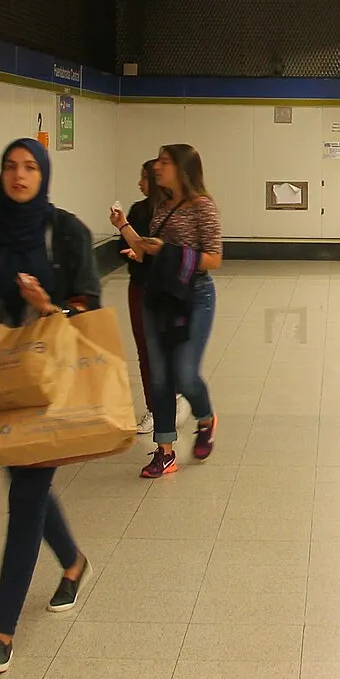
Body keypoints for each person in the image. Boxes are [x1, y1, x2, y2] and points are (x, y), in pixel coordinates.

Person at [0, 138, 100, 675]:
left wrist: (46, 306)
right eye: (10, 166)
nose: (19, 175)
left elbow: (87, 312)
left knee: (26, 494)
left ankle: (3, 632)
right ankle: (73, 562)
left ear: (44, 173)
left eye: (30, 167)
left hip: (50, 383)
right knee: (26, 482)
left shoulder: (66, 233)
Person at [116, 143, 223, 478]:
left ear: (182, 168)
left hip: (195, 295)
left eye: (164, 162)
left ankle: (205, 419)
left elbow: (214, 258)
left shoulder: (203, 207)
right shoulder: (161, 205)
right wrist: (126, 230)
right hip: (159, 295)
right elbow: (151, 251)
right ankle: (164, 451)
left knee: (185, 374)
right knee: (160, 375)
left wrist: (169, 252)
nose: (157, 168)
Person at [110, 158, 161, 434]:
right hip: (140, 286)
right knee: (145, 348)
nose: (139, 183)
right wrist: (128, 238)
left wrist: (145, 251)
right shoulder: (137, 210)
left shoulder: (174, 212)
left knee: (164, 349)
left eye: (143, 177)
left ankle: (172, 399)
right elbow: (125, 245)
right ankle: (154, 408)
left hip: (165, 288)